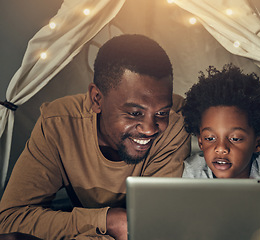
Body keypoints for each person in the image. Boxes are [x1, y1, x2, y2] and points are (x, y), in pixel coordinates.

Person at [0, 34, 190, 240]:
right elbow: (10, 219)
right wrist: (106, 221)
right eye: (135, 113)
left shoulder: (175, 125)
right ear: (97, 98)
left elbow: (150, 230)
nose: (150, 129)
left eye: (161, 113)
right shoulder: (59, 123)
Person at [182, 64, 260, 239]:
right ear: (200, 142)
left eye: (235, 138)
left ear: (258, 143)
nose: (221, 148)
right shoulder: (194, 170)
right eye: (210, 138)